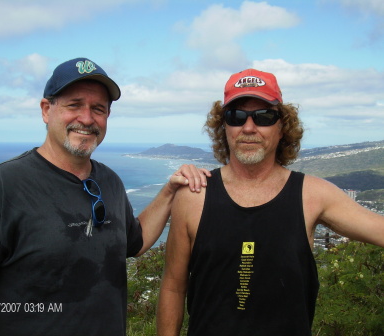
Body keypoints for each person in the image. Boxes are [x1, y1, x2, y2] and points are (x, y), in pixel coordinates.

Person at [0, 57, 209, 336]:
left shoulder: (110, 182)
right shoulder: (3, 186)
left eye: (98, 109)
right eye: (74, 105)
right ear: (46, 110)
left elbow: (135, 241)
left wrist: (169, 191)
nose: (87, 118)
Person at [156, 69, 384, 336]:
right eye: (236, 116)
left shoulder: (313, 195)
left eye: (264, 117)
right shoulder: (194, 196)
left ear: (282, 127)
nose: (249, 128)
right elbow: (173, 286)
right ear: (224, 127)